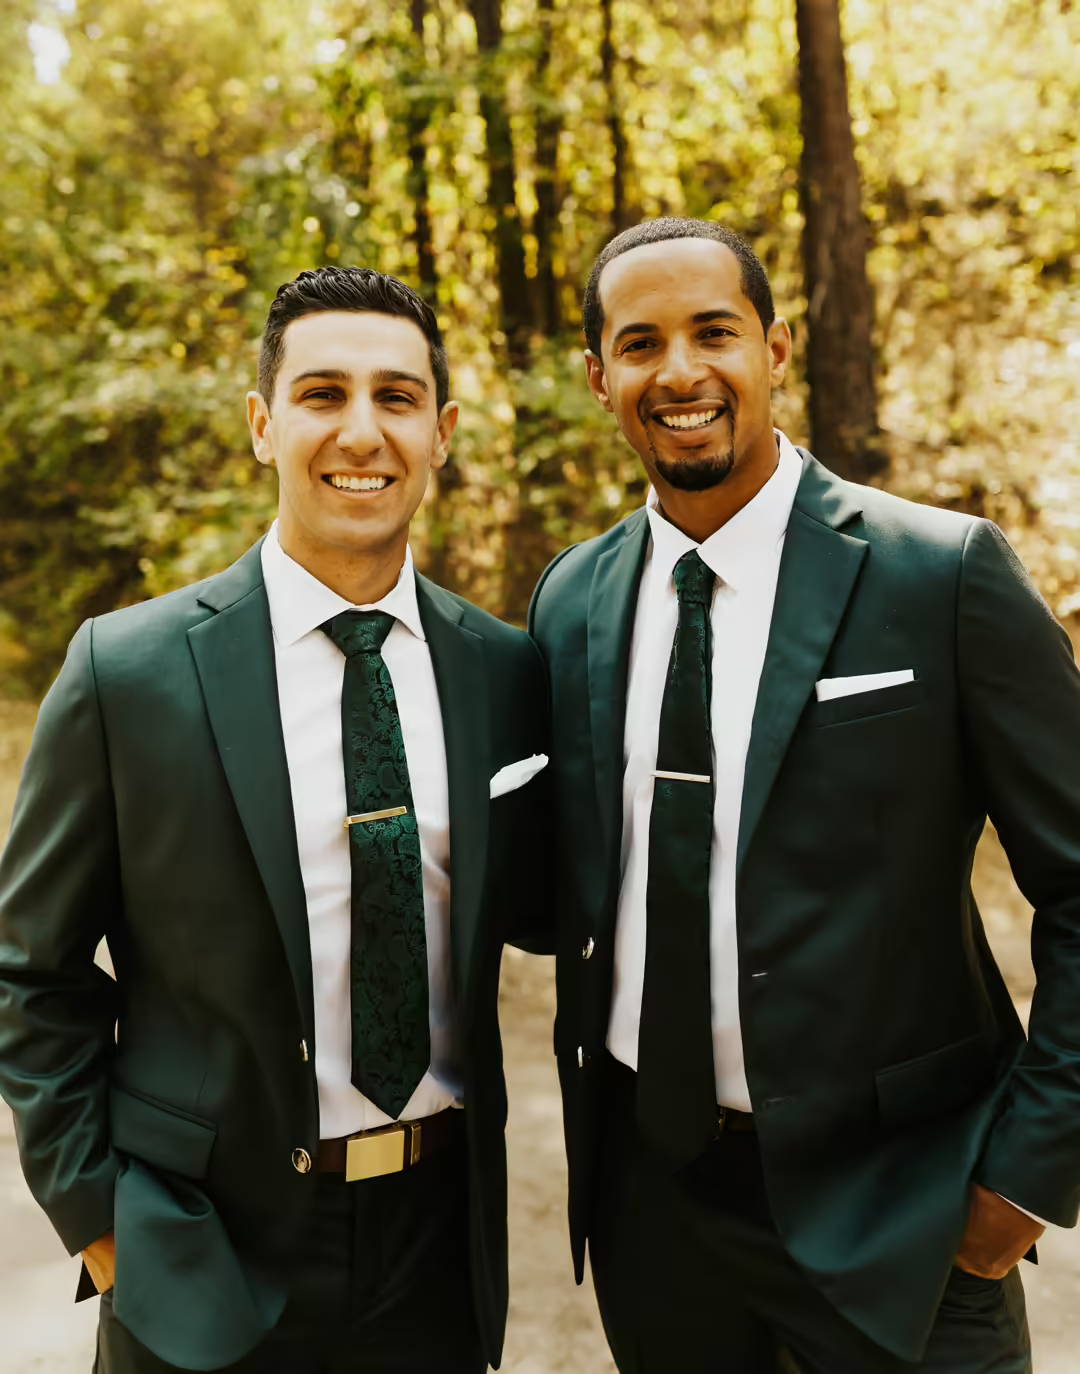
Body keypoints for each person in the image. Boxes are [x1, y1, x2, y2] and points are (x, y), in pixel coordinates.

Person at [528, 217, 1080, 1372]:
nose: (680, 372)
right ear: (599, 377)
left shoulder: (943, 574)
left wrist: (1025, 1180)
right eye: (641, 344)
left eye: (713, 332)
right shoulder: (570, 600)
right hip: (656, 1217)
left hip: (905, 1217)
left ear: (776, 349)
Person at [0, 266, 549, 1373]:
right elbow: (29, 971)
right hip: (201, 1261)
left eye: (397, 398)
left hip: (436, 1260)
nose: (363, 431)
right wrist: (107, 1228)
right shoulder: (130, 672)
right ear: (263, 423)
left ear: (440, 433)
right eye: (322, 394)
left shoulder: (502, 669)